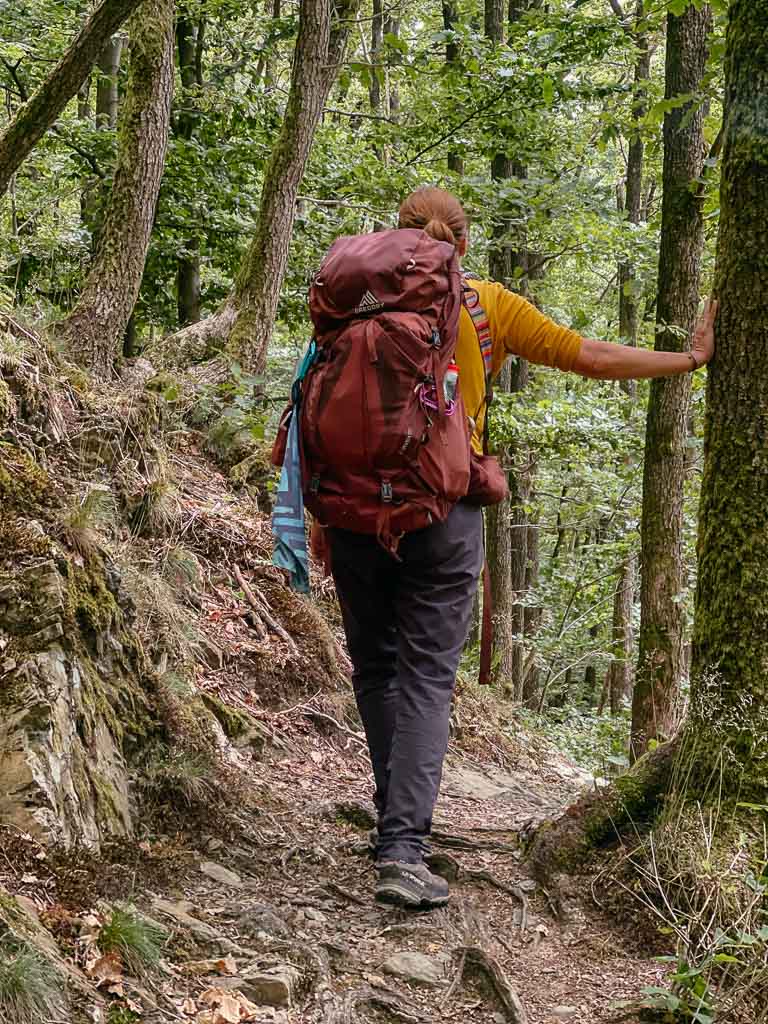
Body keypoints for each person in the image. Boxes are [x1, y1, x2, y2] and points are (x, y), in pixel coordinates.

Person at [325, 187, 717, 910]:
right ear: (462, 245)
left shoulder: (351, 295)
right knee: (425, 678)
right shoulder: (487, 304)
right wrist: (688, 359)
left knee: (377, 668)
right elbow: (588, 356)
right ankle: (402, 848)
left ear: (396, 236)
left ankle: (394, 828)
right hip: (444, 512)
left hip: (351, 510)